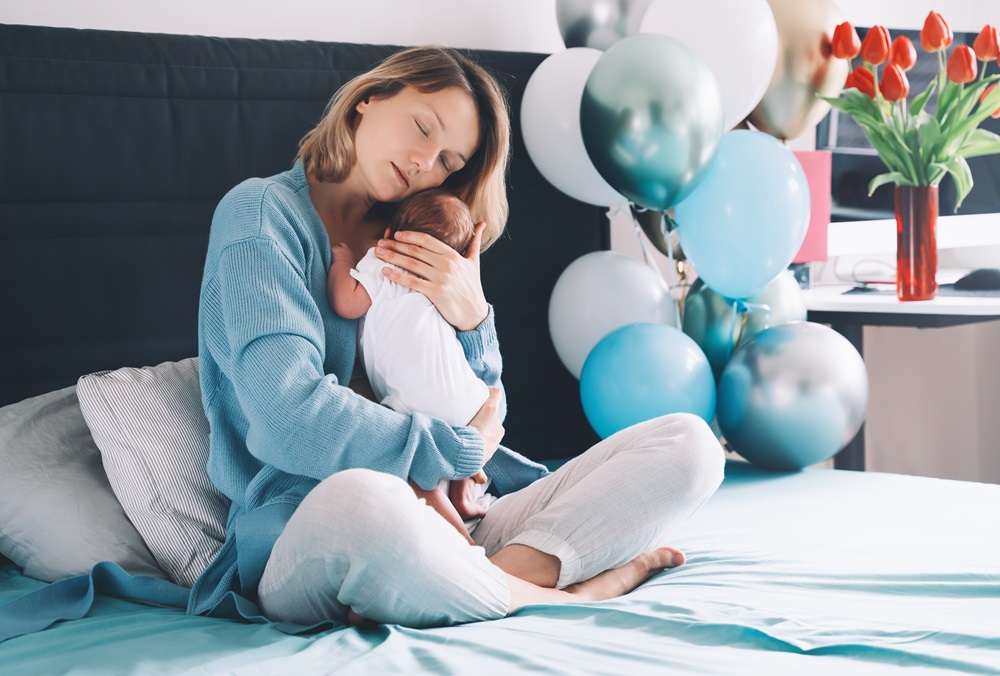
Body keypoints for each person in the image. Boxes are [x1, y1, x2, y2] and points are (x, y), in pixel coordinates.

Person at [194, 45, 726, 630]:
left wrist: (473, 317)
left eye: (448, 159)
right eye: (423, 127)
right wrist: (456, 450)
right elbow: (289, 417)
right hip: (317, 523)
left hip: (460, 519)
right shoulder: (261, 215)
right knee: (367, 501)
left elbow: (482, 408)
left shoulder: (416, 233)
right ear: (368, 100)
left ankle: (490, 578)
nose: (425, 162)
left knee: (690, 445)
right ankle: (560, 592)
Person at [327, 188, 495, 544]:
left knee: (421, 478)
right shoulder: (444, 286)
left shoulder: (382, 260)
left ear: (390, 235)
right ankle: (464, 495)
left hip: (415, 404)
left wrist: (343, 262)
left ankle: (461, 542)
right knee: (470, 419)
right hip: (467, 397)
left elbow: (347, 304)